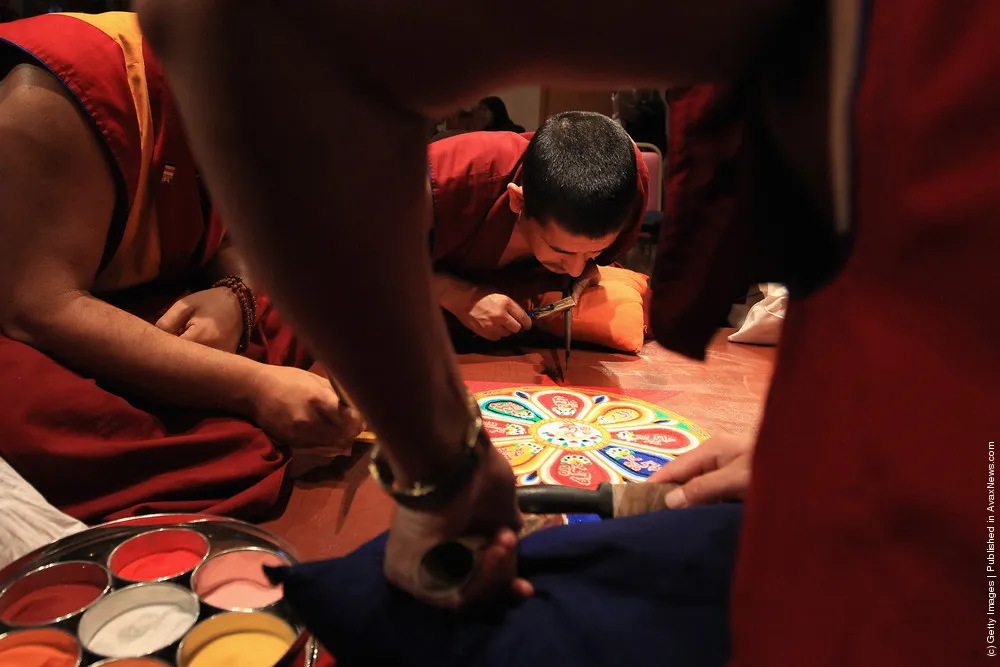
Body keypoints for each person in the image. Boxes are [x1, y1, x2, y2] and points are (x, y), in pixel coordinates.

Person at [136, 2, 995, 666]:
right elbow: (244, 33)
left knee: (389, 600)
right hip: (895, 555)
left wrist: (444, 472)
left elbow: (246, 27)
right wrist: (445, 447)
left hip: (885, 565)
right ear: (516, 204)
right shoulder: (461, 175)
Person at [0, 11, 363, 523]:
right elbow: (36, 308)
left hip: (140, 299)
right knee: (36, 412)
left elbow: (239, 239)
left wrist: (234, 293)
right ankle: (244, 428)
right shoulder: (60, 87)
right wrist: (254, 386)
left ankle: (237, 423)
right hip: (32, 322)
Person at [430, 111, 648, 341]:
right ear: (518, 201)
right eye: (561, 251)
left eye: (594, 251)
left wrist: (591, 262)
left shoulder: (627, 185)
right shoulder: (456, 178)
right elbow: (387, 264)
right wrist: (456, 295)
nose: (575, 269)